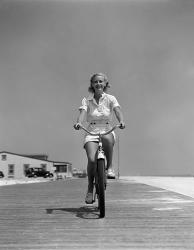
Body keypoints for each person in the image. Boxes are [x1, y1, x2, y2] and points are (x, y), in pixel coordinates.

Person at [74, 73, 125, 204]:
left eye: (101, 81)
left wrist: (121, 121)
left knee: (108, 139)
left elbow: (117, 110)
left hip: (107, 128)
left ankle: (110, 167)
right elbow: (83, 113)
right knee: (91, 160)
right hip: (91, 130)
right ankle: (90, 188)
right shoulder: (87, 100)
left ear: (105, 84)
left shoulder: (111, 98)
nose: (98, 84)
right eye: (95, 82)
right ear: (92, 85)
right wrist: (79, 123)